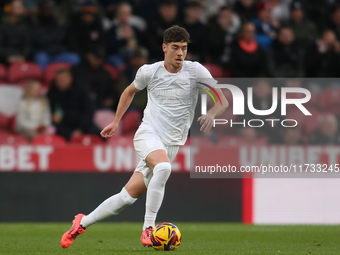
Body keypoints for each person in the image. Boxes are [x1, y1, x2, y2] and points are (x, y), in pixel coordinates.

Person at [60, 25, 228, 249]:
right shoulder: (150, 71)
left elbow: (223, 100)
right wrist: (116, 121)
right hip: (148, 134)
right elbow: (129, 91)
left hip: (171, 143)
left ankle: (82, 223)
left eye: (184, 48)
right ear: (164, 48)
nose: (180, 53)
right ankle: (148, 228)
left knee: (126, 198)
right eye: (175, 48)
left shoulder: (196, 71)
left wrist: (210, 113)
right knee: (164, 169)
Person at [47, 68, 100, 140]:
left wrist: (80, 129)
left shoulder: (81, 91)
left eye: (62, 80)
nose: (59, 83)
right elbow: (53, 115)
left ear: (70, 79)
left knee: (99, 135)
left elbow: (89, 111)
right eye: (58, 80)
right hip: (63, 126)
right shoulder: (52, 94)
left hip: (82, 124)